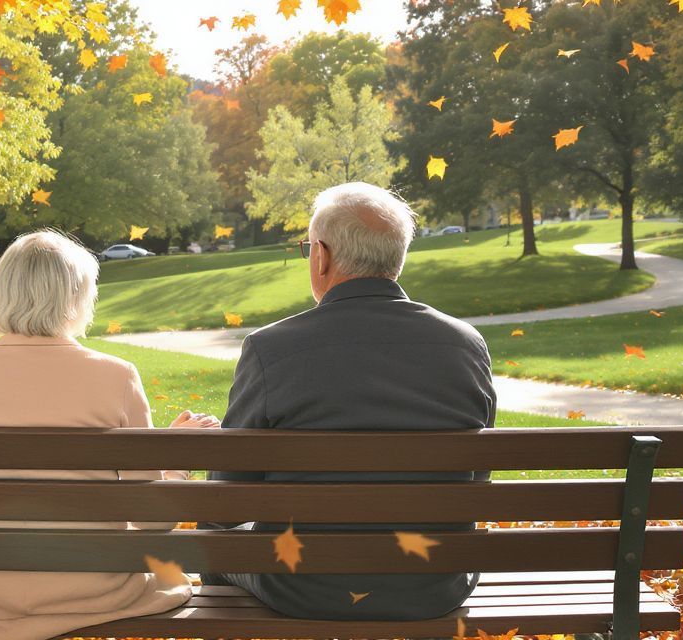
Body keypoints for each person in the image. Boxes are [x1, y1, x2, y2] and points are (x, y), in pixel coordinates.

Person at [200, 181, 497, 620]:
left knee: (214, 535)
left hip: (301, 586)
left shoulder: (270, 348)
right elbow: (477, 478)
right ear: (397, 257)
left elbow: (227, 502)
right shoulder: (466, 345)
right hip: (434, 585)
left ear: (321, 256)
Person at [0, 229, 219, 640]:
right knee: (166, 574)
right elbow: (153, 520)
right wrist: (176, 459)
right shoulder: (117, 376)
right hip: (96, 590)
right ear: (77, 297)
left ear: (1, 292)